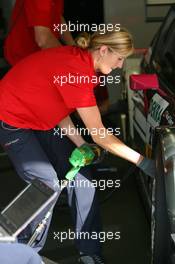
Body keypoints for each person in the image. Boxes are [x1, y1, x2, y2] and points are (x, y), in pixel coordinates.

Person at [0, 28, 155, 264]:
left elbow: (57, 107)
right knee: (46, 181)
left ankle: (89, 253)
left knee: (82, 174)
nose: (121, 66)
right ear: (103, 50)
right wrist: (142, 161)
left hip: (40, 117)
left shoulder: (84, 66)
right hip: (11, 117)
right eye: (120, 58)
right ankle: (18, 252)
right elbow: (101, 135)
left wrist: (81, 145)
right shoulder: (78, 70)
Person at [4, 0, 75, 66]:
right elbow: (43, 40)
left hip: (43, 54)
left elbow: (57, 16)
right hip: (23, 60)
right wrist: (70, 59)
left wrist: (73, 47)